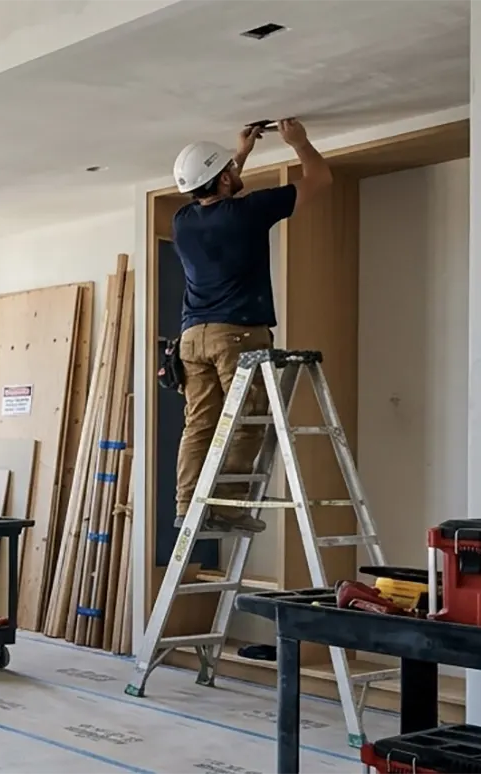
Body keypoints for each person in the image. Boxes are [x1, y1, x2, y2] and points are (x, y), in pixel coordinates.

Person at [170, 119, 331, 533]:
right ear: (224, 178)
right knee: (248, 418)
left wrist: (239, 154)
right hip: (236, 333)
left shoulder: (183, 220)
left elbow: (219, 187)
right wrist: (300, 142)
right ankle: (225, 506)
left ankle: (187, 505)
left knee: (199, 425)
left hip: (192, 337)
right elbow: (320, 178)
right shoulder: (251, 211)